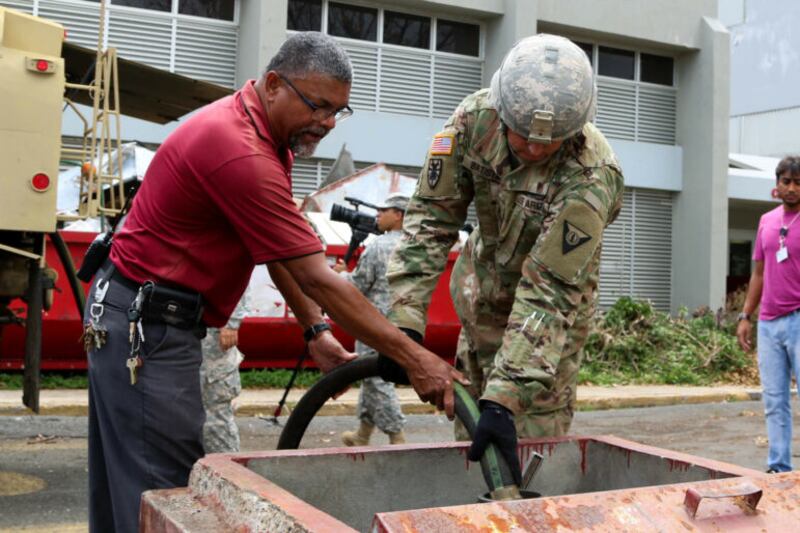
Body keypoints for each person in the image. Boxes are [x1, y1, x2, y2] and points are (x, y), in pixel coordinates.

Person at [83, 31, 465, 533]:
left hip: (132, 313)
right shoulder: (240, 151)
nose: (326, 123)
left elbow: (276, 250)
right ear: (272, 85)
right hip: (147, 328)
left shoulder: (263, 136)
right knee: (163, 495)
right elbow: (318, 276)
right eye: (318, 106)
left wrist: (314, 331)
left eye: (338, 112)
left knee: (131, 491)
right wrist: (420, 360)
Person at [385, 34, 624, 481]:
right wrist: (405, 325)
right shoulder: (472, 123)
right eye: (523, 136)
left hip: (541, 339)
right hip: (480, 314)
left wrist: (507, 395)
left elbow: (550, 291)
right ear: (501, 107)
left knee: (524, 464)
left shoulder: (592, 177)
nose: (534, 150)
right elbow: (430, 223)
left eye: (549, 143)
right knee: (470, 452)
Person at [737, 155, 800, 473]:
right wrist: (746, 316)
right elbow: (758, 274)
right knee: (774, 401)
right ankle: (779, 467)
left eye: (797, 182)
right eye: (786, 181)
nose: (791, 188)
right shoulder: (767, 221)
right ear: (777, 184)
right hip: (769, 323)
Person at [334, 193, 410, 446]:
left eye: (383, 209)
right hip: (402, 321)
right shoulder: (413, 244)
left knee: (377, 379)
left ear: (398, 214)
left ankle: (396, 436)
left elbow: (358, 285)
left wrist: (340, 276)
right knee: (369, 376)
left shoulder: (380, 245)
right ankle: (363, 433)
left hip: (374, 323)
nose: (378, 213)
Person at [200, 287, 250, 453]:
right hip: (182, 332)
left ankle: (227, 471)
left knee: (214, 415)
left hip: (211, 336)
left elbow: (236, 271)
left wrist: (230, 322)